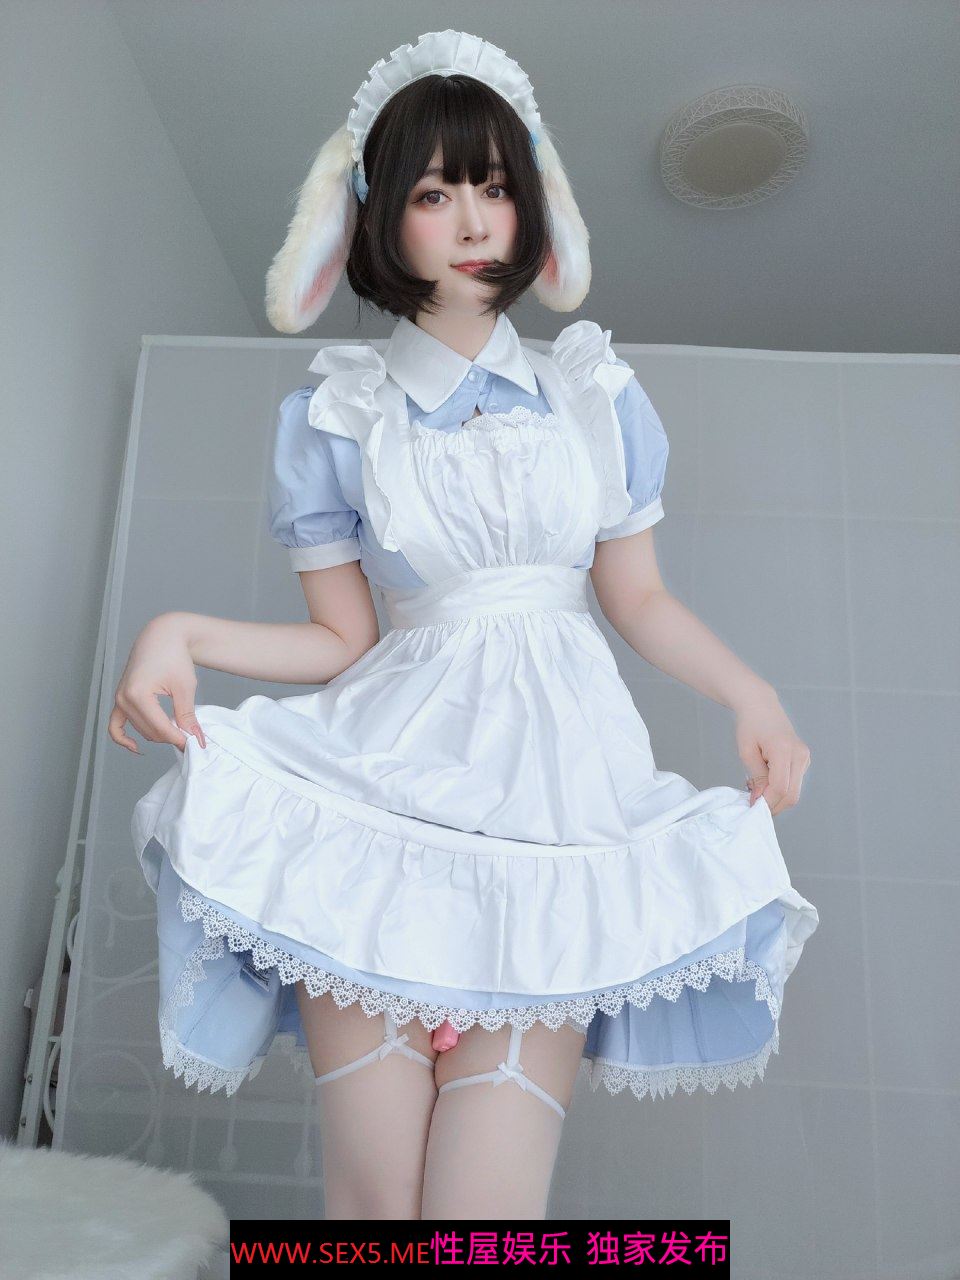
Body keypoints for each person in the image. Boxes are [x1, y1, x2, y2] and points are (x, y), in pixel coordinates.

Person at [108, 30, 819, 1221]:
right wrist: (181, 628)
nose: (475, 218)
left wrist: (754, 693)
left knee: (484, 1221)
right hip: (383, 818)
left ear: (532, 203)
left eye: (495, 185)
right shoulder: (339, 413)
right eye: (436, 192)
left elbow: (635, 595)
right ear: (380, 214)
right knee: (375, 1206)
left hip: (553, 818)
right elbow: (342, 640)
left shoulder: (595, 396)